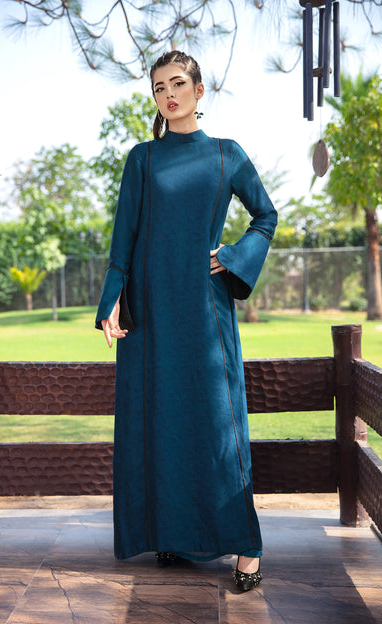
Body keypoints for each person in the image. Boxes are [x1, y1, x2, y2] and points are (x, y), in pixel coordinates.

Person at [95, 50, 278, 592]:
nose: (168, 95)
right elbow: (123, 238)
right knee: (160, 420)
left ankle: (247, 547)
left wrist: (234, 256)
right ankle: (170, 533)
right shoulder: (142, 159)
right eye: (159, 88)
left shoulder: (227, 154)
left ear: (199, 91)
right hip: (150, 314)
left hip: (205, 310)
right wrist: (111, 300)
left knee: (220, 425)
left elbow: (265, 216)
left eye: (177, 84)